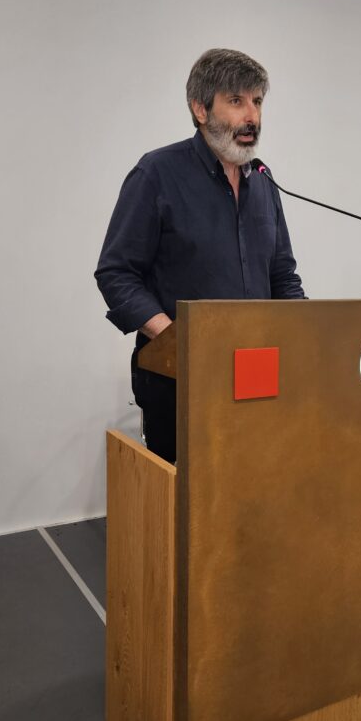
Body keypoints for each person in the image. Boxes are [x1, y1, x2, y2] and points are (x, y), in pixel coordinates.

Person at [95, 49, 305, 462]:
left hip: (257, 376)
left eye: (257, 101)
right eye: (236, 101)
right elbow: (116, 272)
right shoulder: (157, 173)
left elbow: (283, 276)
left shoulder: (264, 183)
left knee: (254, 483)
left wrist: (306, 336)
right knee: (188, 494)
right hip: (180, 379)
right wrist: (176, 339)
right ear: (200, 108)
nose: (252, 116)